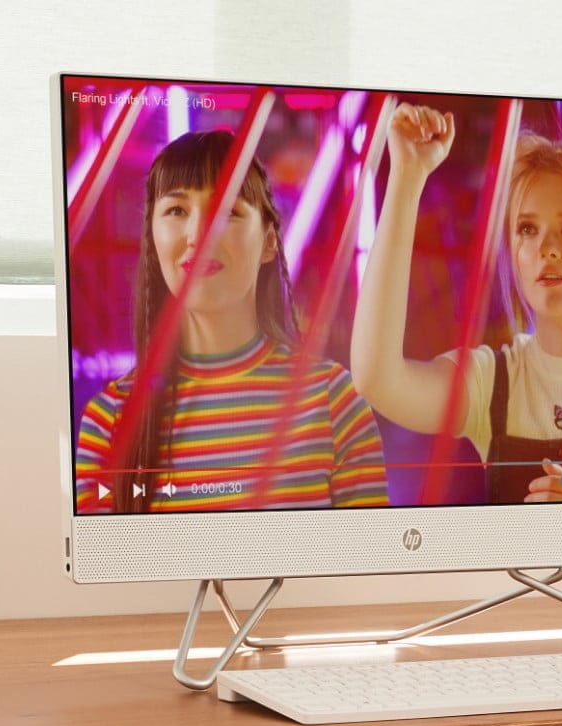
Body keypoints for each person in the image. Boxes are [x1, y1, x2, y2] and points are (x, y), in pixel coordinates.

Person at [351, 103, 562, 503]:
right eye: (527, 229)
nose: (547, 249)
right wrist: (407, 175)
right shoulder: (493, 380)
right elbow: (377, 379)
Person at [76, 130, 387, 513]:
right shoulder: (110, 420)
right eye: (176, 211)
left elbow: (364, 567)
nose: (199, 235)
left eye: (229, 211)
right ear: (152, 240)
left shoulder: (333, 400)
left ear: (270, 242)